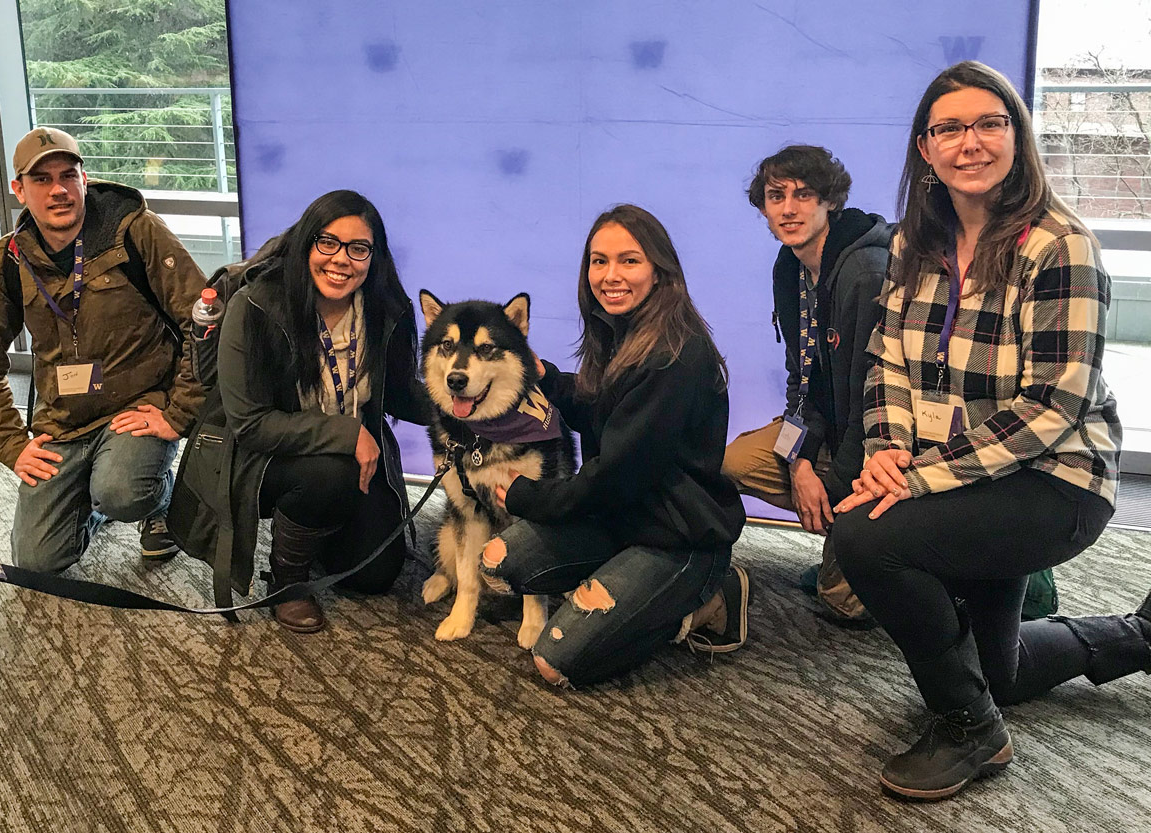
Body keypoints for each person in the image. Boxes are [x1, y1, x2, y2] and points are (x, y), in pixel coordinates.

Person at [829, 61, 1149, 801]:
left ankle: (972, 729)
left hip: (1055, 481)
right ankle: (1139, 634)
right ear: (924, 148)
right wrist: (886, 449)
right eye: (950, 128)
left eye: (989, 123)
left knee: (867, 537)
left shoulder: (1059, 245)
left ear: (1016, 134)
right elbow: (887, 362)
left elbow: (1052, 407)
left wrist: (911, 479)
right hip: (962, 470)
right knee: (998, 672)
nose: (970, 142)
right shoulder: (915, 241)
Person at [483, 204, 750, 688]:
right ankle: (625, 583)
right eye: (598, 261)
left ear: (660, 270)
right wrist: (546, 379)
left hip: (677, 536)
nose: (610, 275)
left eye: (629, 261)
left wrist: (528, 498)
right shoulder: (618, 332)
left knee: (557, 662)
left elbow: (616, 475)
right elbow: (605, 415)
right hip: (623, 517)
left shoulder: (674, 355)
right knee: (497, 564)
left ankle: (706, 597)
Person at [0, 127, 207, 571]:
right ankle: (96, 504)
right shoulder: (7, 261)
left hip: (140, 403)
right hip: (65, 419)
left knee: (124, 491)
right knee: (37, 563)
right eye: (41, 180)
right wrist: (11, 443)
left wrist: (178, 413)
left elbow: (205, 322)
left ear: (84, 179)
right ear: (19, 190)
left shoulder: (134, 232)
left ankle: (159, 503)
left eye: (67, 175)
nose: (58, 190)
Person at [205, 190, 428, 633]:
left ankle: (317, 526)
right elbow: (250, 424)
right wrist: (347, 435)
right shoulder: (255, 306)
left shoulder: (387, 309)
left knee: (375, 575)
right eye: (328, 242)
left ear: (373, 257)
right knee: (328, 474)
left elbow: (399, 393)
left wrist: (466, 408)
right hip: (264, 459)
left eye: (358, 248)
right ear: (307, 242)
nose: (341, 260)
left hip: (350, 458)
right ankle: (288, 579)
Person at [722, 145, 890, 624]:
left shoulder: (865, 271)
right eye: (776, 197)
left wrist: (831, 486)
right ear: (763, 208)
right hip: (828, 434)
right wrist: (799, 464)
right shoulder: (789, 265)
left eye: (804, 195)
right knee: (732, 463)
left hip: (880, 446)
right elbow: (803, 377)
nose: (789, 209)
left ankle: (938, 572)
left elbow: (870, 403)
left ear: (830, 201)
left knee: (844, 606)